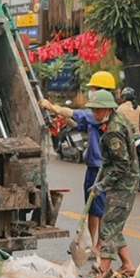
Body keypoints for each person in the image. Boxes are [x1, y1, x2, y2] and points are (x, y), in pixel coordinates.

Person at [39, 70, 118, 250]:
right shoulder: (98, 113)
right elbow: (77, 123)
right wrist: (60, 118)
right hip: (94, 166)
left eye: (93, 88)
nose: (90, 92)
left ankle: (98, 246)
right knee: (94, 208)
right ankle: (93, 243)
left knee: (98, 208)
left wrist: (54, 107)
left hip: (100, 168)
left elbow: (78, 114)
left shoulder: (102, 112)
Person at [87, 89, 138, 275]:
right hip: (125, 182)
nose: (95, 113)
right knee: (114, 225)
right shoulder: (119, 120)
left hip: (123, 184)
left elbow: (121, 165)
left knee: (107, 229)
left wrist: (103, 184)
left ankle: (102, 272)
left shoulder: (112, 132)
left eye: (98, 110)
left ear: (108, 109)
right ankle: (128, 265)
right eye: (93, 110)